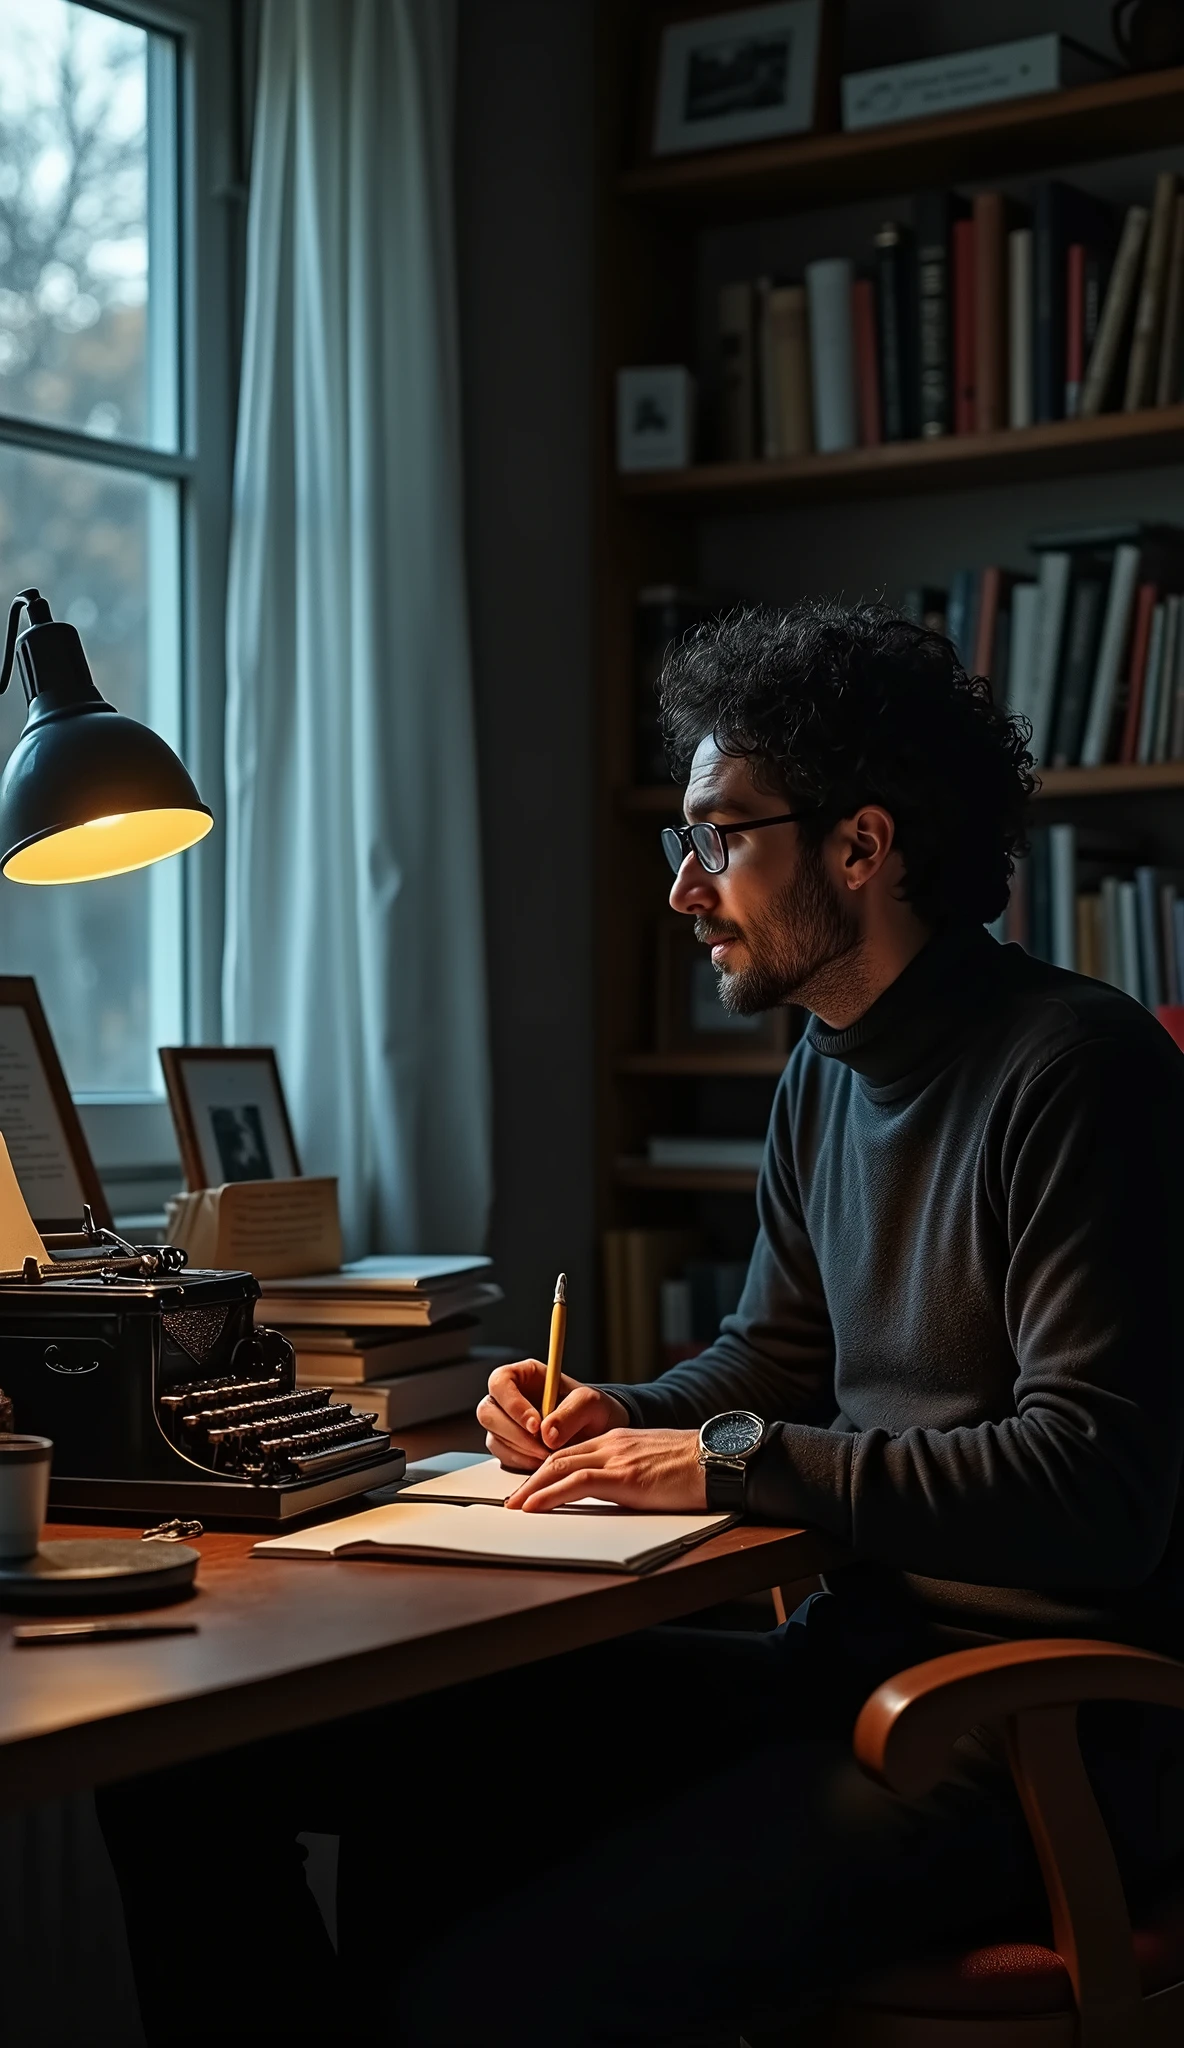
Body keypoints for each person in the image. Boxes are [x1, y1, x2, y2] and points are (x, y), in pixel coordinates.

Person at [99, 601, 1184, 2047]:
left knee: (476, 1992)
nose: (683, 888)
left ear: (861, 849)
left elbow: (1094, 1488)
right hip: (845, 1673)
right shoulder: (827, 1071)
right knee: (192, 1770)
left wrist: (725, 1457)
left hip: (1024, 1731)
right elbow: (778, 1362)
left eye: (720, 837)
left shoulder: (1079, 1072)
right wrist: (627, 1413)